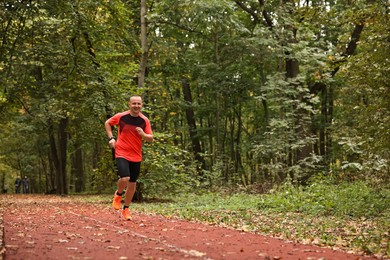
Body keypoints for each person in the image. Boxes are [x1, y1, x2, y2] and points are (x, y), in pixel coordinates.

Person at [104, 95, 153, 220]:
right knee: (125, 178)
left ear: (141, 105)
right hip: (121, 152)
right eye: (134, 103)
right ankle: (118, 194)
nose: (136, 106)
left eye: (138, 104)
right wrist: (111, 138)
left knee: (132, 184)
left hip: (136, 155)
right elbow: (108, 123)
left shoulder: (144, 120)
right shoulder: (121, 116)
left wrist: (143, 134)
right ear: (129, 105)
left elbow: (150, 138)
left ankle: (126, 209)